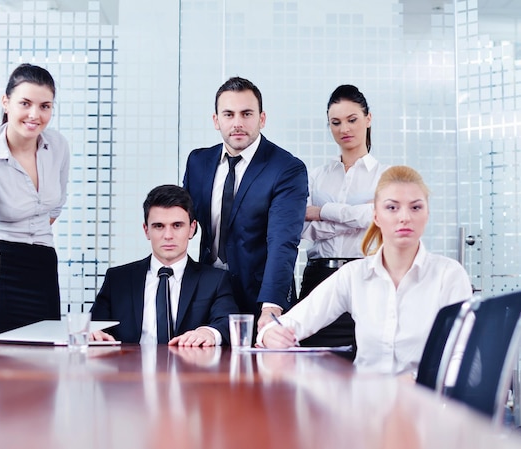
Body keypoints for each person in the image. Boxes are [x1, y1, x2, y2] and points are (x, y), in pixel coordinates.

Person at [257, 166, 473, 375]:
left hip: (423, 405)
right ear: (376, 216)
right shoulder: (354, 275)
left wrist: (419, 383)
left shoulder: (449, 275)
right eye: (392, 207)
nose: (404, 217)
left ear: (427, 214)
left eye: (416, 207)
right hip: (366, 403)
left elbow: (463, 357)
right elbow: (293, 322)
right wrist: (270, 334)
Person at [183, 76, 308, 331]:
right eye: (228, 114)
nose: (238, 123)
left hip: (260, 297)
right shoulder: (198, 162)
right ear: (216, 121)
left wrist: (272, 305)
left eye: (246, 114)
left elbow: (283, 241)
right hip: (207, 294)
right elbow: (183, 225)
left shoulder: (286, 169)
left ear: (261, 119)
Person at [0, 63, 70, 343]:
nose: (35, 115)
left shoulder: (57, 146)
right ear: (6, 102)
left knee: (43, 375)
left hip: (42, 267)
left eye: (45, 106)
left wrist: (31, 233)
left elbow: (56, 206)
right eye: (25, 103)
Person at [90, 185, 239, 346]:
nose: (168, 236)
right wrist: (92, 334)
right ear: (146, 230)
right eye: (159, 226)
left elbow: (228, 322)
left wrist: (208, 332)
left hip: (191, 367)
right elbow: (94, 326)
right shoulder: (118, 280)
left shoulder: (214, 280)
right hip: (130, 367)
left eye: (177, 225)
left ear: (192, 228)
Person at [299, 85, 388, 353]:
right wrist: (352, 219)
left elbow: (376, 218)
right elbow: (302, 227)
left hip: (367, 278)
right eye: (335, 123)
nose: (344, 129)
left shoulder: (387, 175)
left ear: (368, 119)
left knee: (369, 366)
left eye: (352, 120)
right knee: (313, 368)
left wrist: (323, 211)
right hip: (319, 277)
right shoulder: (315, 176)